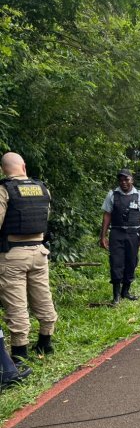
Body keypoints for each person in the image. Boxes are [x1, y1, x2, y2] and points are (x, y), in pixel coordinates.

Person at [0, 152, 58, 363]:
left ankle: (20, 355)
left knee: (16, 305)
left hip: (12, 255)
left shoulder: (4, 190)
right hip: (39, 252)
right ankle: (45, 343)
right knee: (43, 297)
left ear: (3, 169)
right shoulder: (42, 188)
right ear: (24, 166)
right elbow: (44, 218)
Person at [99, 169, 140, 305]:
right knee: (116, 262)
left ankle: (125, 292)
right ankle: (116, 295)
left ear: (132, 180)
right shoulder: (112, 195)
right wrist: (103, 236)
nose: (123, 182)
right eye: (121, 180)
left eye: (126, 179)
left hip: (133, 234)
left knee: (131, 262)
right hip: (117, 233)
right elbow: (107, 215)